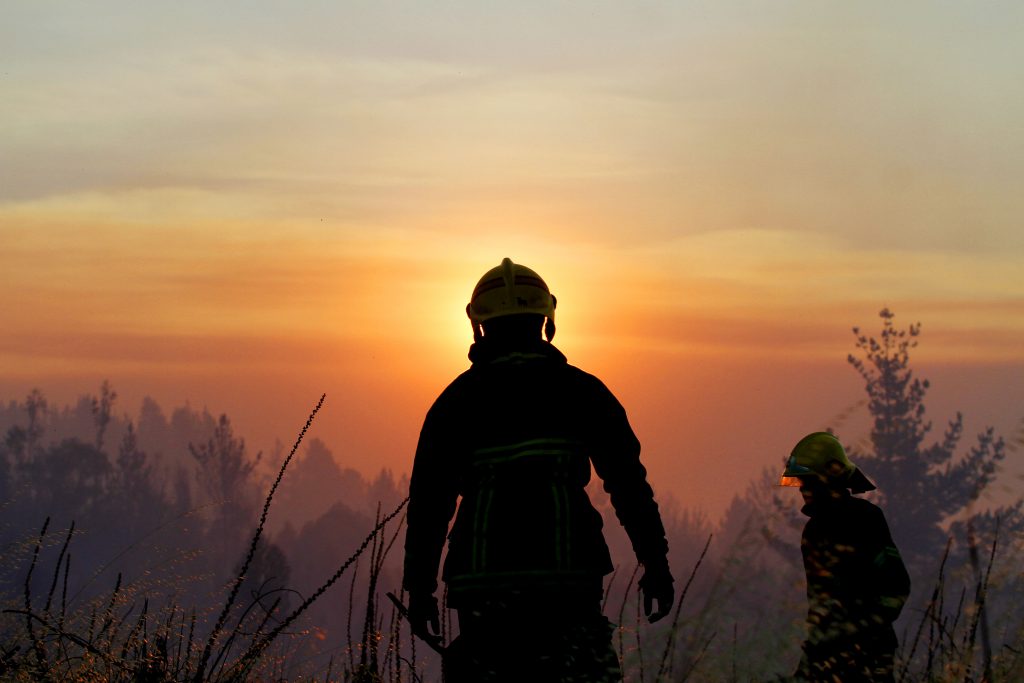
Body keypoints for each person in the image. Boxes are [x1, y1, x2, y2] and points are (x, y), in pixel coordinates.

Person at [402, 258, 675, 683]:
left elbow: (430, 505)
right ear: (547, 319)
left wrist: (420, 590)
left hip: (482, 584)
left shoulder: (455, 402)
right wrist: (655, 563)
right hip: (566, 582)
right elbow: (627, 485)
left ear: (478, 325)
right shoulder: (583, 391)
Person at [779, 432, 911, 682]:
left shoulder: (866, 519)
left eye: (808, 482)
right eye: (801, 483)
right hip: (826, 653)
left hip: (870, 655)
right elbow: (820, 601)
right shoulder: (814, 531)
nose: (803, 490)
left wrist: (866, 631)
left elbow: (898, 584)